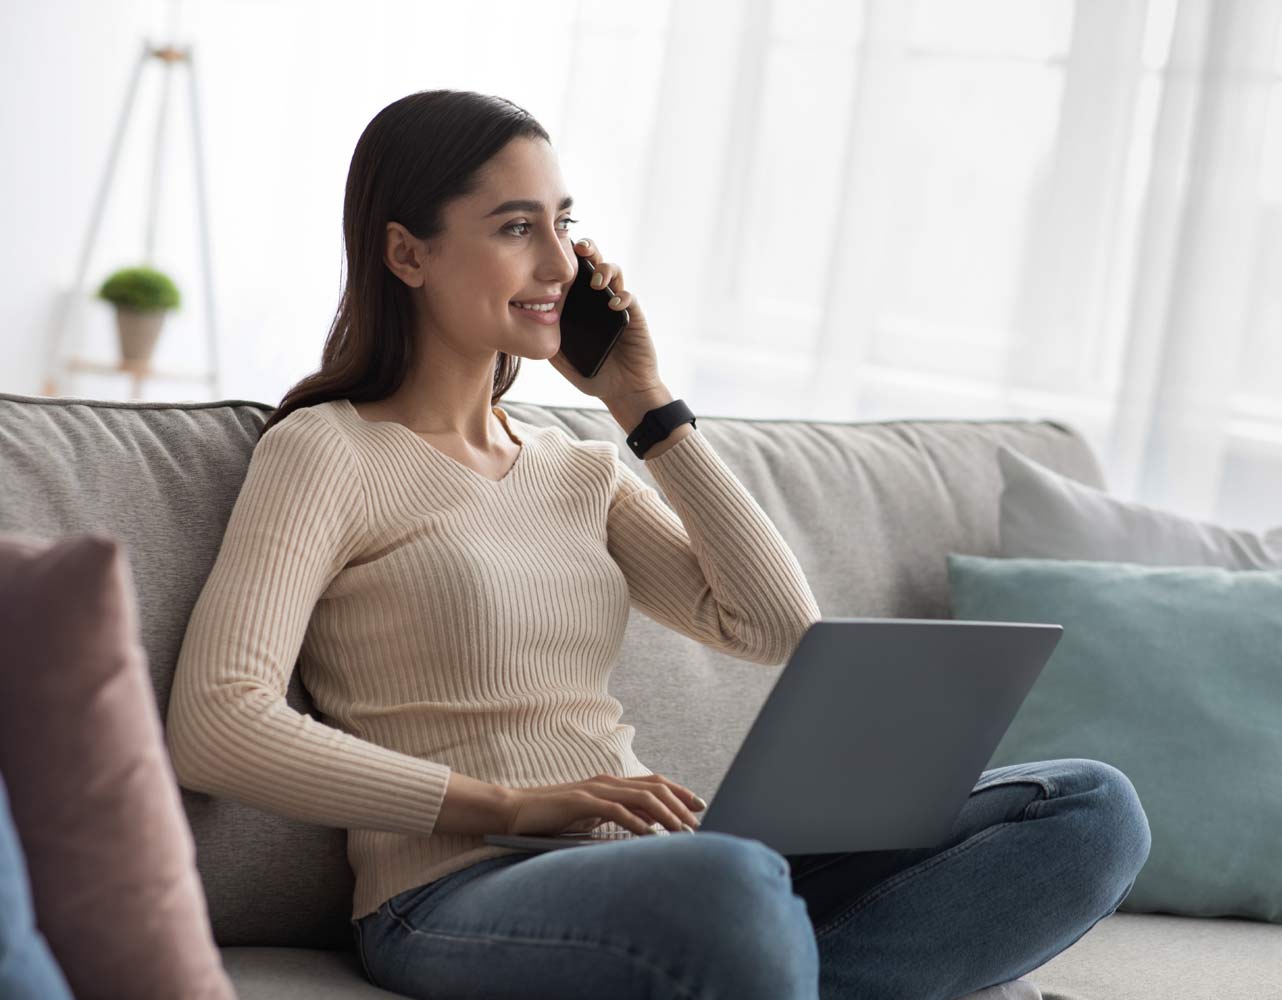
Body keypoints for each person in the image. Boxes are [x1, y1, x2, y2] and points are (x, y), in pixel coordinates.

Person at [165, 89, 1151, 1000]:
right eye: (516, 228)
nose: (558, 265)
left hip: (677, 868)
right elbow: (216, 722)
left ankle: (783, 973)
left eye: (565, 224)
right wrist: (511, 805)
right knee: (729, 881)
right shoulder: (326, 450)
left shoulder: (578, 467)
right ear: (407, 253)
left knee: (1088, 807)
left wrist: (644, 405)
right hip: (457, 892)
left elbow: (773, 625)